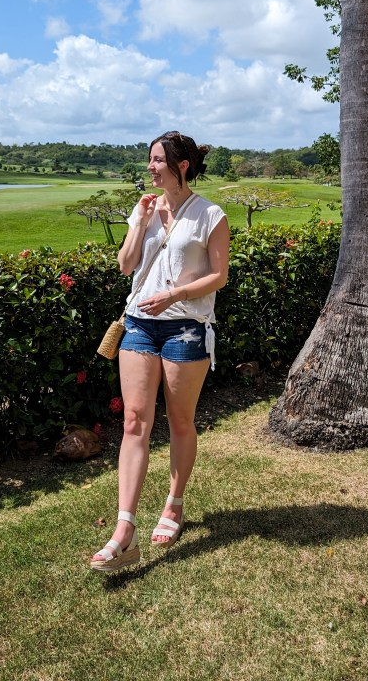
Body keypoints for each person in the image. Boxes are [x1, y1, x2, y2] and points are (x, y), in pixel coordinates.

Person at [90, 131, 230, 572]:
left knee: (180, 420)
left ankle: (173, 504)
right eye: (149, 160)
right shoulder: (144, 208)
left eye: (156, 160)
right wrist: (140, 223)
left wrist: (175, 295)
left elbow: (219, 276)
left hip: (186, 327)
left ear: (181, 165)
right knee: (134, 421)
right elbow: (127, 264)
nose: (150, 167)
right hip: (138, 324)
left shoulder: (210, 214)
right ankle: (124, 529)